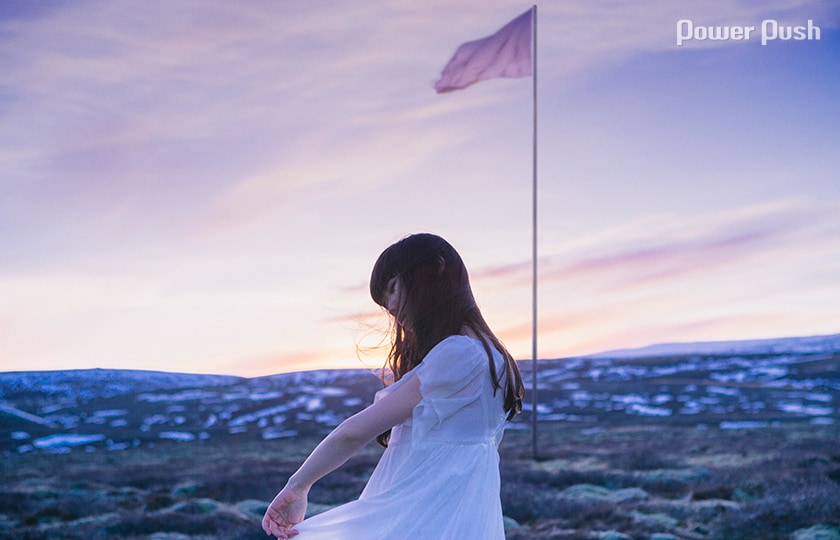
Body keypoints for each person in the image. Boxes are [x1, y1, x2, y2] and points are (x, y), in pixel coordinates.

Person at [262, 233, 524, 539]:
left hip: (416, 518)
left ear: (432, 271)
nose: (392, 307)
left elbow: (353, 432)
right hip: (460, 521)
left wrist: (297, 486)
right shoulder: (497, 359)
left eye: (392, 288)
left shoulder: (459, 353)